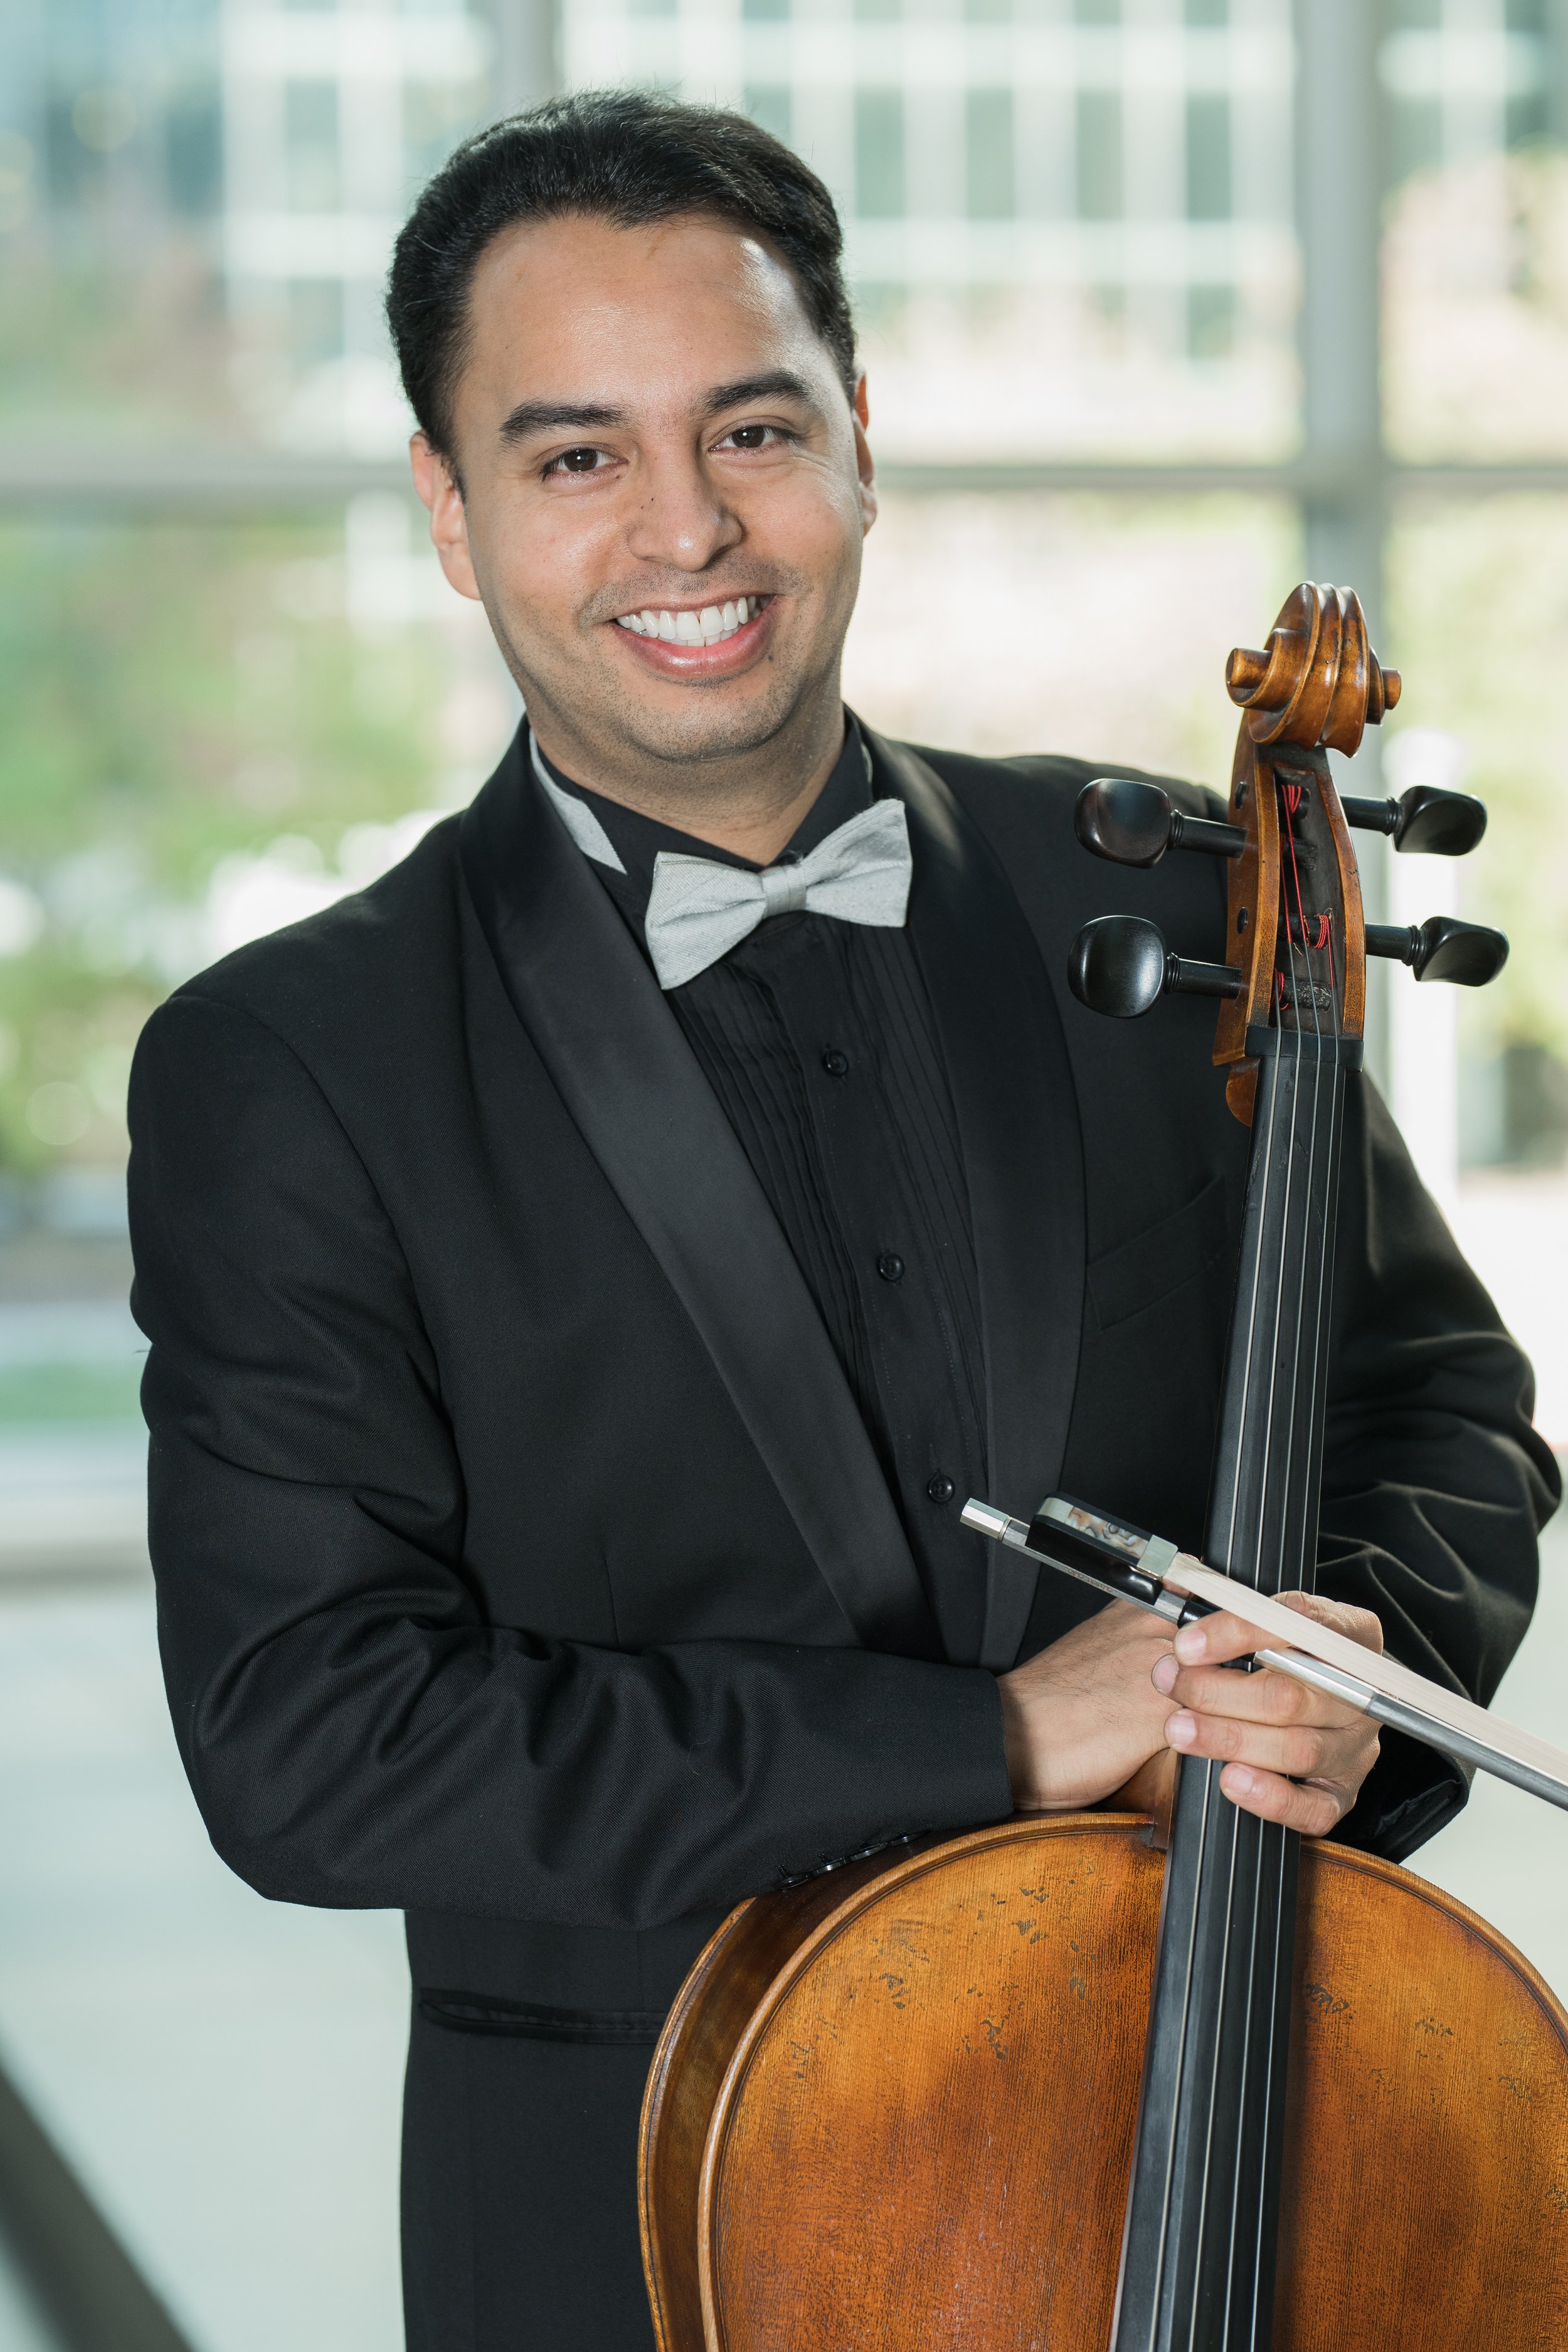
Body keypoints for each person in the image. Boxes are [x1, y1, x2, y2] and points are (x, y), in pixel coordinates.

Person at [127, 92, 1556, 2352]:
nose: (686, 527)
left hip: (1240, 2116)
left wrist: (1354, 1660)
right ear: (448, 506)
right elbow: (313, 1740)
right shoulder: (294, 1063)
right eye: (575, 453)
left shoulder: (1168, 892)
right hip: (654, 2222)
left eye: (753, 427)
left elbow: (1434, 1402)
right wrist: (992, 1744)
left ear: (861, 437)